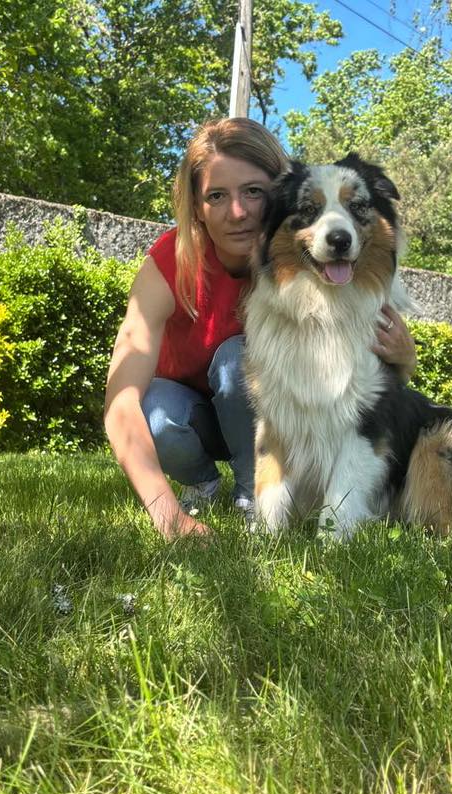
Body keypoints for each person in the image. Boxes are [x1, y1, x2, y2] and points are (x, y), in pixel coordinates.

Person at [104, 118, 418, 539]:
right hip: (193, 417)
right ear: (196, 207)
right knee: (162, 404)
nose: (238, 213)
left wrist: (406, 355)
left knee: (236, 362)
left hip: (264, 416)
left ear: (275, 194)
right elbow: (121, 402)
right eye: (217, 196)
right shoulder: (170, 263)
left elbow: (364, 381)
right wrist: (167, 515)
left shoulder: (312, 266)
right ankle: (203, 483)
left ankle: (253, 497)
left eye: (253, 192)